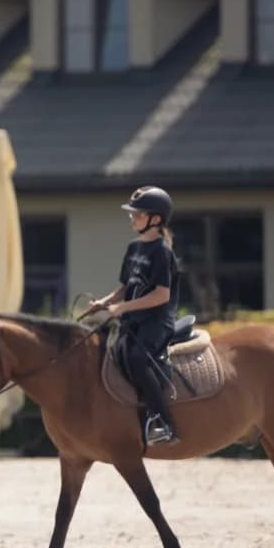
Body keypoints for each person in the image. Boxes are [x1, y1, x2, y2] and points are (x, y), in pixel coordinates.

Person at [88, 185, 181, 446]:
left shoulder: (162, 252)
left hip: (156, 322)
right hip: (133, 320)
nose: (132, 218)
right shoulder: (134, 248)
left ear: (156, 219)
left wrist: (122, 308)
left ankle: (163, 422)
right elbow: (125, 287)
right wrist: (103, 303)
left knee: (138, 358)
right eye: (132, 214)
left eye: (137, 214)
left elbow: (162, 295)